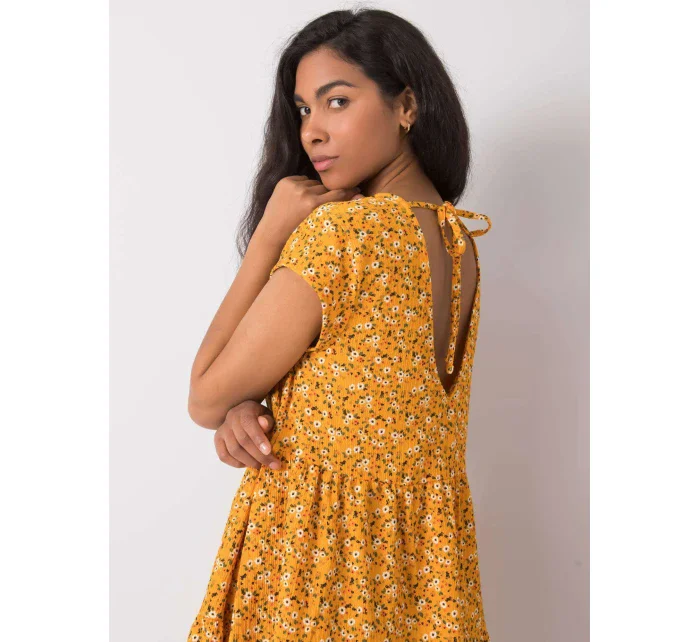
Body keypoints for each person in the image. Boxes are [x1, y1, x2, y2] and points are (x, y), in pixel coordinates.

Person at [187, 8, 492, 641]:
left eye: (338, 101)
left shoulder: (345, 234)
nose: (312, 132)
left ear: (406, 105)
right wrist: (255, 404)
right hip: (420, 569)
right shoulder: (458, 240)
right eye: (304, 109)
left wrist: (270, 234)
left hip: (320, 563)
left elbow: (203, 395)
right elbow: (352, 382)